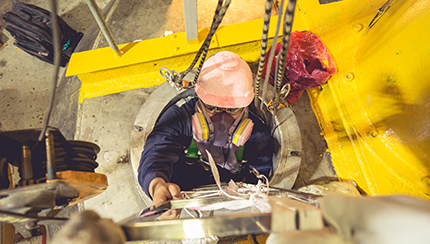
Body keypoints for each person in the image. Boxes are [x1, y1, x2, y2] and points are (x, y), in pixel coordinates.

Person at [137, 51, 274, 206]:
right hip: (184, 182)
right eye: (212, 107)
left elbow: (260, 176)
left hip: (229, 190)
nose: (222, 118)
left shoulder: (258, 135)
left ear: (245, 106)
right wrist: (157, 185)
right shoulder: (180, 118)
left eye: (233, 109)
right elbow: (156, 152)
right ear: (199, 99)